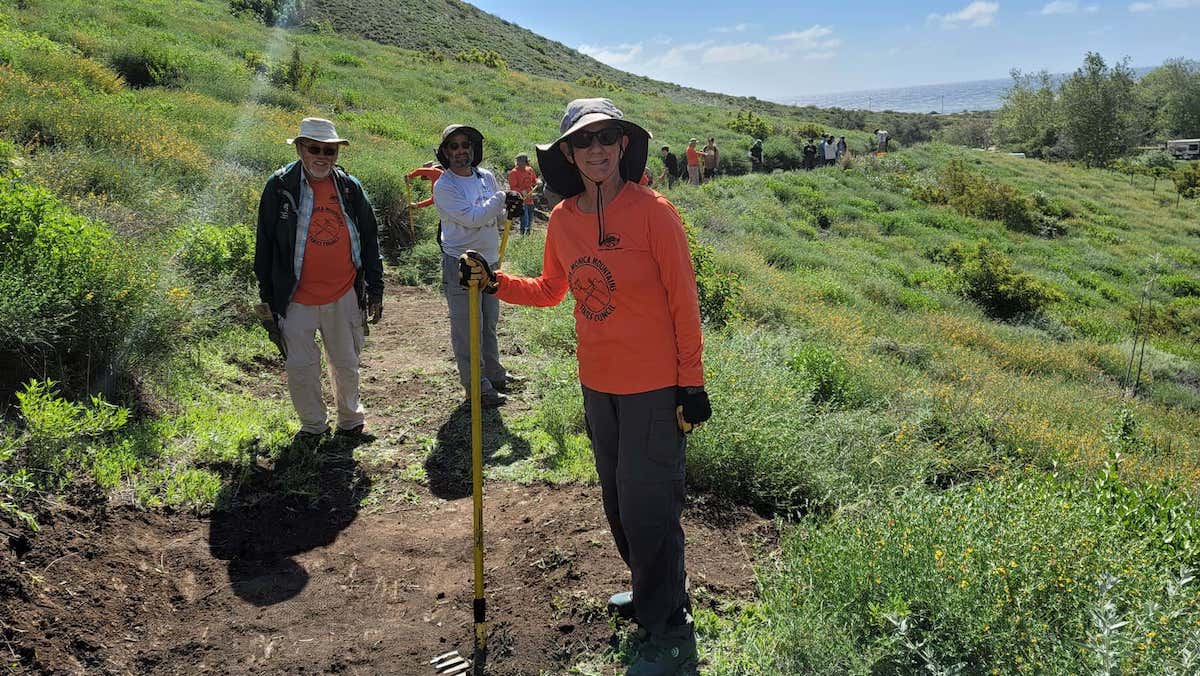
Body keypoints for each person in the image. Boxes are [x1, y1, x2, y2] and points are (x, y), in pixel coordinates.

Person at [459, 98, 711, 676]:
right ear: (569, 153)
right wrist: (494, 282)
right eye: (584, 141)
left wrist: (690, 385)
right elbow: (552, 289)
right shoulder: (566, 220)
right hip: (598, 386)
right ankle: (653, 590)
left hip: (654, 387)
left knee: (650, 507)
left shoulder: (655, 213)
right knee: (620, 502)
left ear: (623, 145)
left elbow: (683, 301)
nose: (596, 149)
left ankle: (671, 629)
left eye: (607, 138)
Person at [254, 117, 383, 440]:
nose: (322, 156)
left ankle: (350, 421)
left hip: (343, 292)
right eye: (315, 149)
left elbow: (369, 237)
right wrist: (267, 295)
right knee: (301, 367)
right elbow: (265, 242)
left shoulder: (349, 187)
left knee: (346, 362)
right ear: (300, 148)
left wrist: (376, 287)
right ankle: (313, 427)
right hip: (294, 295)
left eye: (330, 151)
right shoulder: (280, 187)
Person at [432, 123, 526, 408]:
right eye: (455, 146)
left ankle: (495, 372)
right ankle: (476, 385)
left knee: (489, 322)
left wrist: (510, 210)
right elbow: (473, 217)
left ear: (474, 149)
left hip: (490, 261)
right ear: (446, 153)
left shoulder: (486, 177)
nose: (462, 151)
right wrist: (502, 198)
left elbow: (495, 218)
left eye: (466, 145)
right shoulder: (444, 186)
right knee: (468, 327)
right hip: (462, 264)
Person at [507, 153, 539, 235]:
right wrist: (521, 191)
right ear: (518, 162)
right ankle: (522, 236)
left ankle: (527, 236)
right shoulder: (513, 173)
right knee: (525, 220)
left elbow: (534, 182)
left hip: (530, 200)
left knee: (530, 220)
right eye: (522, 162)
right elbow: (513, 187)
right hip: (522, 201)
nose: (524, 164)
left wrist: (537, 183)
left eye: (525, 162)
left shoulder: (530, 170)